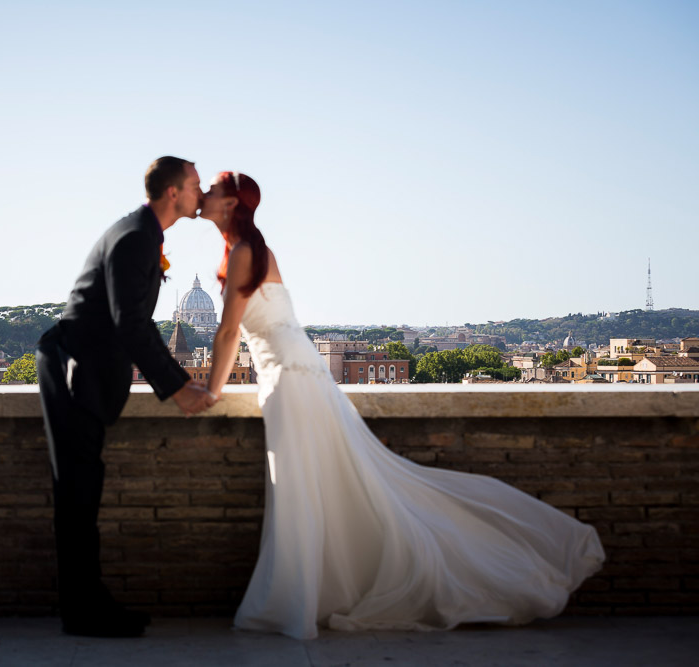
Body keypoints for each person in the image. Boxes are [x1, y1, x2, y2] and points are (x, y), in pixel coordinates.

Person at [198, 171, 605, 640]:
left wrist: (210, 392)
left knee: (303, 487)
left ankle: (296, 601)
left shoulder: (247, 251)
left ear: (230, 202)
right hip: (297, 373)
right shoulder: (254, 249)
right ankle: (304, 596)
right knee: (325, 486)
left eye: (212, 189)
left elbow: (228, 332)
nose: (204, 195)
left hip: (289, 378)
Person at [36, 157, 216, 638]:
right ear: (174, 193)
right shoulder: (137, 237)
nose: (202, 193)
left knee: (83, 493)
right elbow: (129, 323)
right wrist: (179, 387)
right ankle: (83, 612)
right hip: (77, 374)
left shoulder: (141, 233)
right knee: (77, 497)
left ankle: (88, 605)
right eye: (196, 185)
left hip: (83, 370)